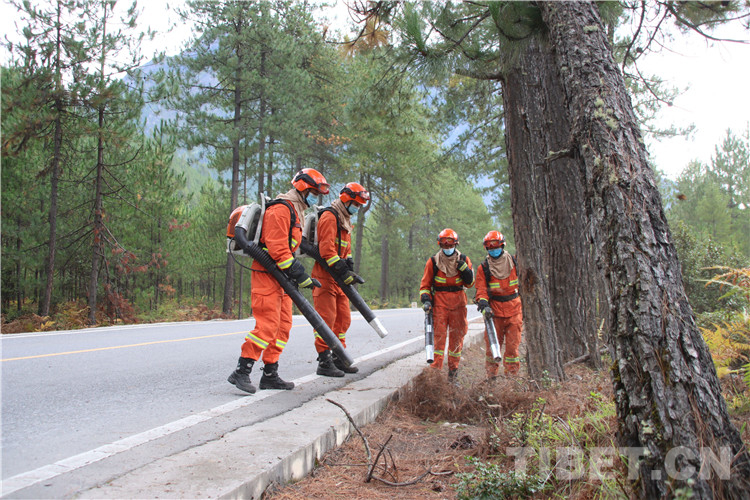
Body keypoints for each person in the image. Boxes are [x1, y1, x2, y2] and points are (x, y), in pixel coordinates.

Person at [227, 168, 329, 394]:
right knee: (267, 325)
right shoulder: (281, 210)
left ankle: (270, 374)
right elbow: (278, 249)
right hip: (267, 274)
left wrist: (297, 275)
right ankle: (241, 371)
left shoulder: (296, 211)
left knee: (283, 326)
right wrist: (300, 275)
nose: (315, 198)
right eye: (314, 193)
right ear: (303, 190)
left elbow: (290, 249)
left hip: (282, 277)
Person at [312, 182, 370, 377]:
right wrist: (342, 270)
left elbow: (346, 248)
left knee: (343, 319)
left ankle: (339, 356)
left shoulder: (344, 219)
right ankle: (324, 360)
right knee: (326, 320)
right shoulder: (330, 216)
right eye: (357, 204)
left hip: (339, 279)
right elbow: (326, 250)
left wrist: (349, 266)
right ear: (347, 200)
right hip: (325, 277)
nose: (358, 208)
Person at [419, 228, 475, 382]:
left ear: (456, 244)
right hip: (440, 304)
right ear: (440, 245)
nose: (448, 248)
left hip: (458, 304)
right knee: (439, 338)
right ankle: (435, 374)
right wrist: (426, 299)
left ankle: (453, 373)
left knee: (457, 338)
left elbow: (470, 284)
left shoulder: (464, 260)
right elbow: (425, 285)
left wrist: (465, 271)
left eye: (450, 245)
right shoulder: (433, 262)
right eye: (445, 245)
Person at [474, 230, 522, 378]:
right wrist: (483, 303)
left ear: (502, 245)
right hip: (494, 313)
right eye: (491, 248)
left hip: (514, 310)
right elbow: (481, 289)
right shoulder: (484, 268)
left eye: (496, 247)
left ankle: (512, 379)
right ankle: (491, 378)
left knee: (512, 349)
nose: (494, 250)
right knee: (492, 348)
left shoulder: (514, 262)